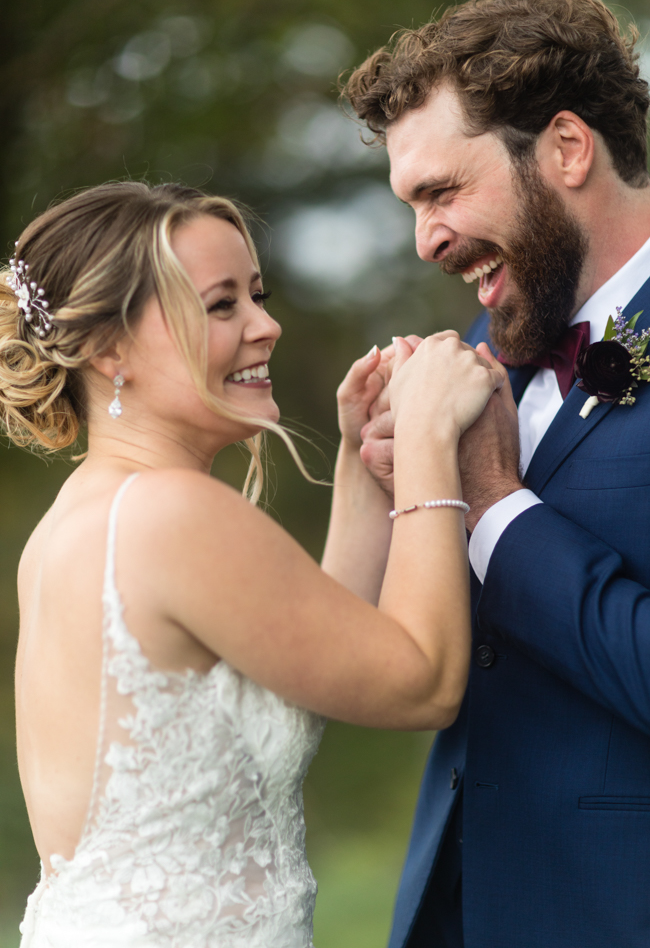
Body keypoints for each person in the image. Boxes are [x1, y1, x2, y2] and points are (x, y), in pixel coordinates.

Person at [1, 180, 503, 948]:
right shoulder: (170, 514)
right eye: (222, 304)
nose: (267, 326)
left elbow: (322, 655)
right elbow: (422, 682)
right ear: (109, 347)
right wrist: (432, 442)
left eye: (257, 296)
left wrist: (361, 465)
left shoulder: (89, 513)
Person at [343, 0, 650, 948]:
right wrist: (392, 486)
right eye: (411, 203)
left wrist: (493, 505)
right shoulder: (485, 354)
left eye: (442, 191)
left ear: (567, 149)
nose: (425, 239)